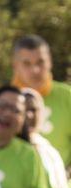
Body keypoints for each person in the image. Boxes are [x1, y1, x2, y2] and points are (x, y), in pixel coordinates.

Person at [12, 35, 71, 168]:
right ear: (15, 65)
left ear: (50, 62)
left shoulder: (68, 96)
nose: (35, 70)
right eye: (27, 63)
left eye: (40, 62)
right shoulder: (4, 102)